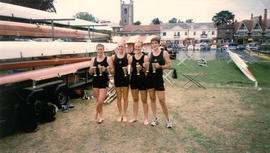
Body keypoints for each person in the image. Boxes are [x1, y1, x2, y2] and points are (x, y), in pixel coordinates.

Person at [146, 37, 173, 128]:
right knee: (152, 99)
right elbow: (147, 67)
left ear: (159, 44)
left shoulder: (164, 53)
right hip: (150, 79)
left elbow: (169, 66)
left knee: (162, 100)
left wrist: (160, 66)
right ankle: (155, 119)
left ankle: (168, 119)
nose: (154, 45)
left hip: (158, 79)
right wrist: (145, 66)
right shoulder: (149, 54)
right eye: (152, 43)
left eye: (155, 43)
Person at [89, 44, 112, 124]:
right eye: (98, 49)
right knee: (97, 100)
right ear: (96, 50)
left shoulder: (107, 59)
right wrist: (91, 69)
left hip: (104, 81)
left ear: (103, 50)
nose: (99, 51)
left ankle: (96, 113)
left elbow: (112, 71)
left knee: (101, 101)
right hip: (95, 81)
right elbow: (90, 72)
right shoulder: (93, 59)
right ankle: (100, 116)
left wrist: (105, 69)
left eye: (101, 49)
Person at [129, 41, 149, 125]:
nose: (137, 48)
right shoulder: (130, 58)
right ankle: (135, 117)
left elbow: (147, 71)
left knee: (144, 100)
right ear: (134, 47)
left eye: (139, 47)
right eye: (136, 47)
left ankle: (146, 118)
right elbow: (130, 70)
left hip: (142, 80)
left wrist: (142, 68)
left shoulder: (145, 57)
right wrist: (129, 70)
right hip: (133, 80)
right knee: (135, 99)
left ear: (142, 47)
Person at [111, 41, 131, 122]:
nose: (120, 48)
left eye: (122, 46)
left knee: (125, 97)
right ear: (117, 47)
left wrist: (128, 69)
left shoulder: (128, 56)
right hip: (117, 79)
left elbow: (130, 70)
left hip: (125, 79)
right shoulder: (113, 57)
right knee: (119, 98)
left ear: (124, 47)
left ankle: (125, 114)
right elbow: (112, 71)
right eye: (119, 46)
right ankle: (120, 114)